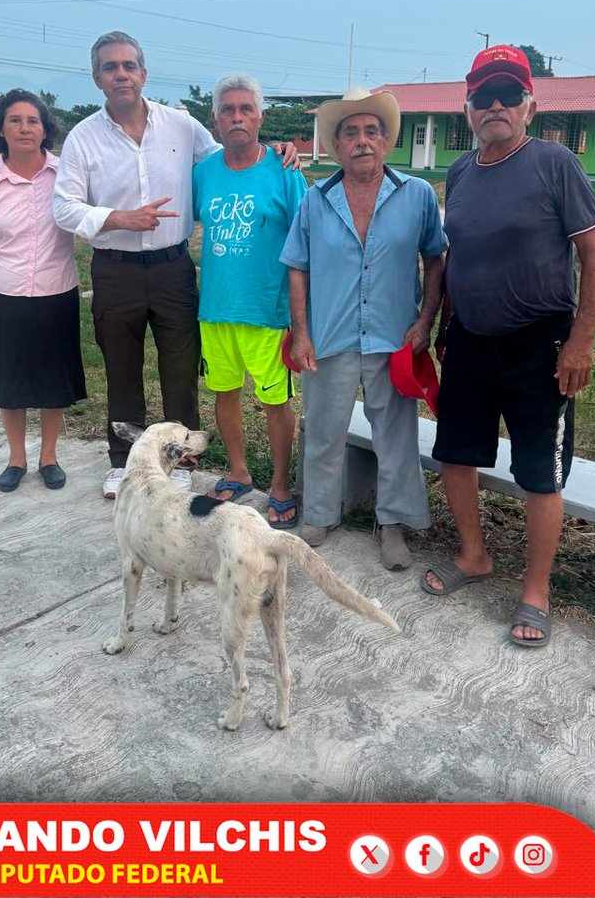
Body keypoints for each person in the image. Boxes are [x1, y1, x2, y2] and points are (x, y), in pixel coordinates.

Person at [53, 31, 301, 500]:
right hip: (115, 266)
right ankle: (122, 460)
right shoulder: (83, 137)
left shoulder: (183, 126)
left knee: (181, 369)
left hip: (173, 267)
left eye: (129, 65)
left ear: (144, 74)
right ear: (97, 78)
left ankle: (181, 458)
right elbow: (63, 207)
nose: (121, 74)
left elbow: (234, 155)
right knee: (122, 367)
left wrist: (278, 150)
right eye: (110, 67)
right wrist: (114, 218)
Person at [420, 45, 595, 648]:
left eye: (508, 95)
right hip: (470, 343)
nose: (495, 105)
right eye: (483, 96)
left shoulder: (555, 164)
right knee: (455, 453)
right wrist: (438, 323)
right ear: (468, 108)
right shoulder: (459, 173)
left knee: (539, 474)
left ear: (531, 104)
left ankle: (536, 590)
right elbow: (455, 259)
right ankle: (474, 556)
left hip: (541, 345)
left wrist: (580, 341)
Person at [281, 87, 447, 570]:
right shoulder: (317, 199)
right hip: (329, 335)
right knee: (324, 430)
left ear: (386, 141)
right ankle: (318, 514)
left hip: (393, 336)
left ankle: (391, 523)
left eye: (371, 131)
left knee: (394, 433)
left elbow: (435, 259)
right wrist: (302, 332)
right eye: (350, 132)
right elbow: (297, 267)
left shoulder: (415, 194)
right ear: (336, 146)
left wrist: (424, 320)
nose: (361, 141)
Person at [0, 90, 87, 493]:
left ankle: (49, 457)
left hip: (56, 293)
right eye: (15, 120)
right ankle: (16, 458)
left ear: (45, 129)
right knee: (10, 387)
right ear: (1, 129)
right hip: (4, 295)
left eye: (33, 120)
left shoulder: (66, 175)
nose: (25, 128)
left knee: (52, 383)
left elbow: (95, 214)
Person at [192, 74, 308, 525]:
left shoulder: (284, 170)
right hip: (216, 308)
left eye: (245, 109)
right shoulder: (204, 173)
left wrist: (302, 317)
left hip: (267, 310)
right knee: (224, 392)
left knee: (275, 399)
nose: (236, 117)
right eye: (227, 109)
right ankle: (238, 471)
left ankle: (280, 484)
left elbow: (305, 243)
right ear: (215, 119)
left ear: (260, 116)